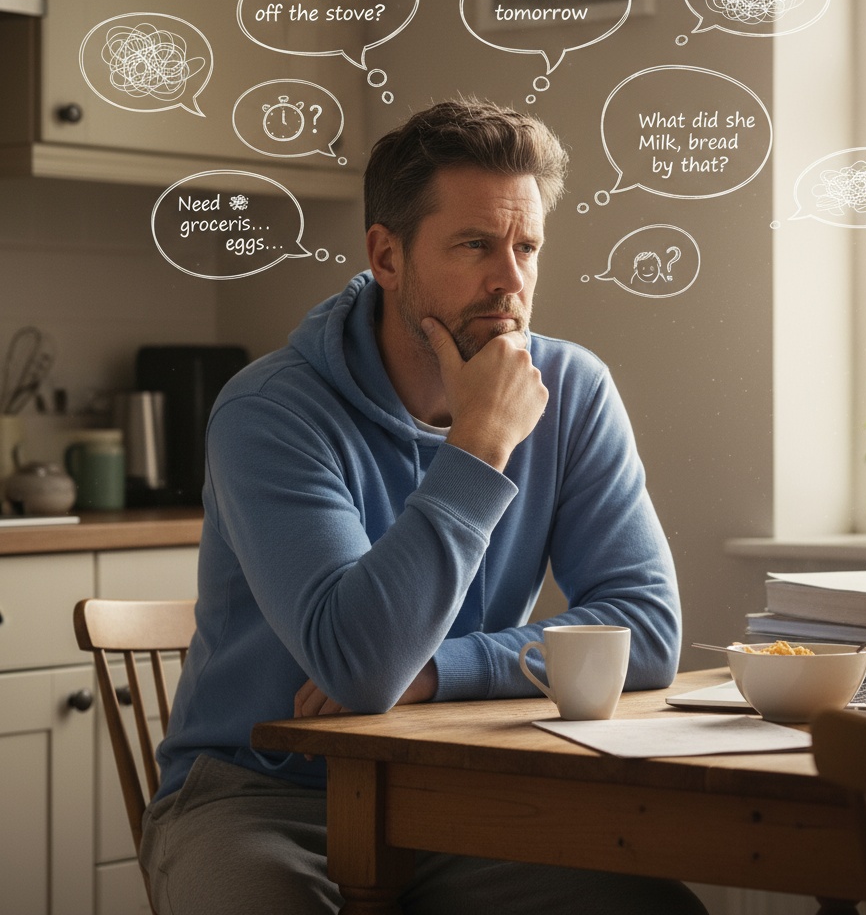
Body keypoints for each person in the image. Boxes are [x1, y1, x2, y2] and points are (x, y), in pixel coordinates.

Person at [141, 98, 706, 915]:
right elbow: (363, 668)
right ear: (387, 255)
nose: (510, 279)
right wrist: (480, 443)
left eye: (526, 247)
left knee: (654, 909)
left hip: (454, 793)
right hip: (259, 797)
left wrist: (440, 671)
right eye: (475, 244)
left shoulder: (572, 390)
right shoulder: (270, 410)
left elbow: (645, 632)